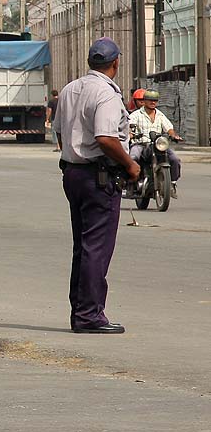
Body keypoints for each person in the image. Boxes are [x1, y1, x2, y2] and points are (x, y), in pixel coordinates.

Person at [52, 37, 139, 335]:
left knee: (83, 246)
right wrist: (129, 165)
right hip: (97, 176)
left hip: (73, 173)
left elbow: (60, 133)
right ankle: (89, 315)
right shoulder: (106, 94)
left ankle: (81, 312)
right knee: (96, 248)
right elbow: (105, 138)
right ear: (116, 63)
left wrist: (75, 155)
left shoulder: (69, 89)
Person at [128, 89, 183, 196]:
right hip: (141, 144)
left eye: (155, 100)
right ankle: (131, 183)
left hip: (158, 144)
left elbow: (169, 128)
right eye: (150, 100)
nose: (153, 102)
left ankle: (172, 184)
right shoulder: (136, 115)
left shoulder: (160, 115)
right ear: (144, 101)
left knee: (175, 160)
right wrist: (130, 134)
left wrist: (173, 135)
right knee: (133, 158)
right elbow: (129, 127)